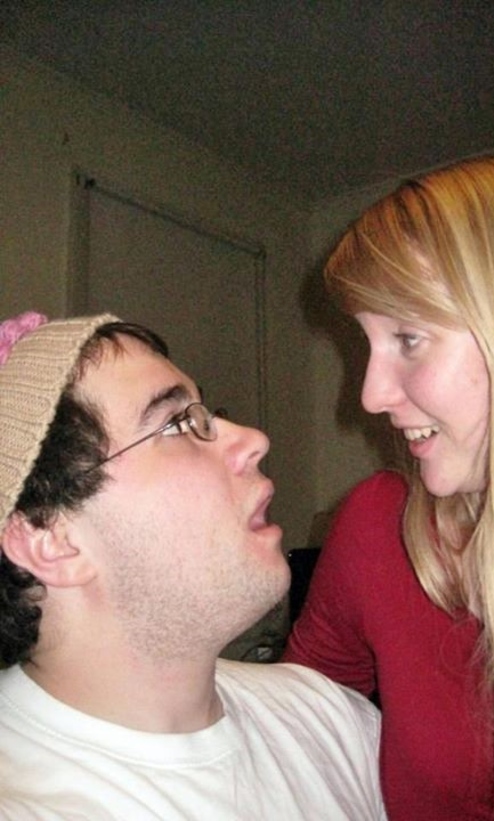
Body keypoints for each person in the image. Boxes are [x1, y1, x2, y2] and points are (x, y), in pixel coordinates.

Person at [285, 153, 494, 820]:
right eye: (368, 343)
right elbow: (296, 730)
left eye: (408, 338)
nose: (371, 395)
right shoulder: (378, 526)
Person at [0, 311, 385, 820]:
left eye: (205, 413)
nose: (253, 439)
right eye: (177, 424)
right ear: (52, 541)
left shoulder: (328, 721)